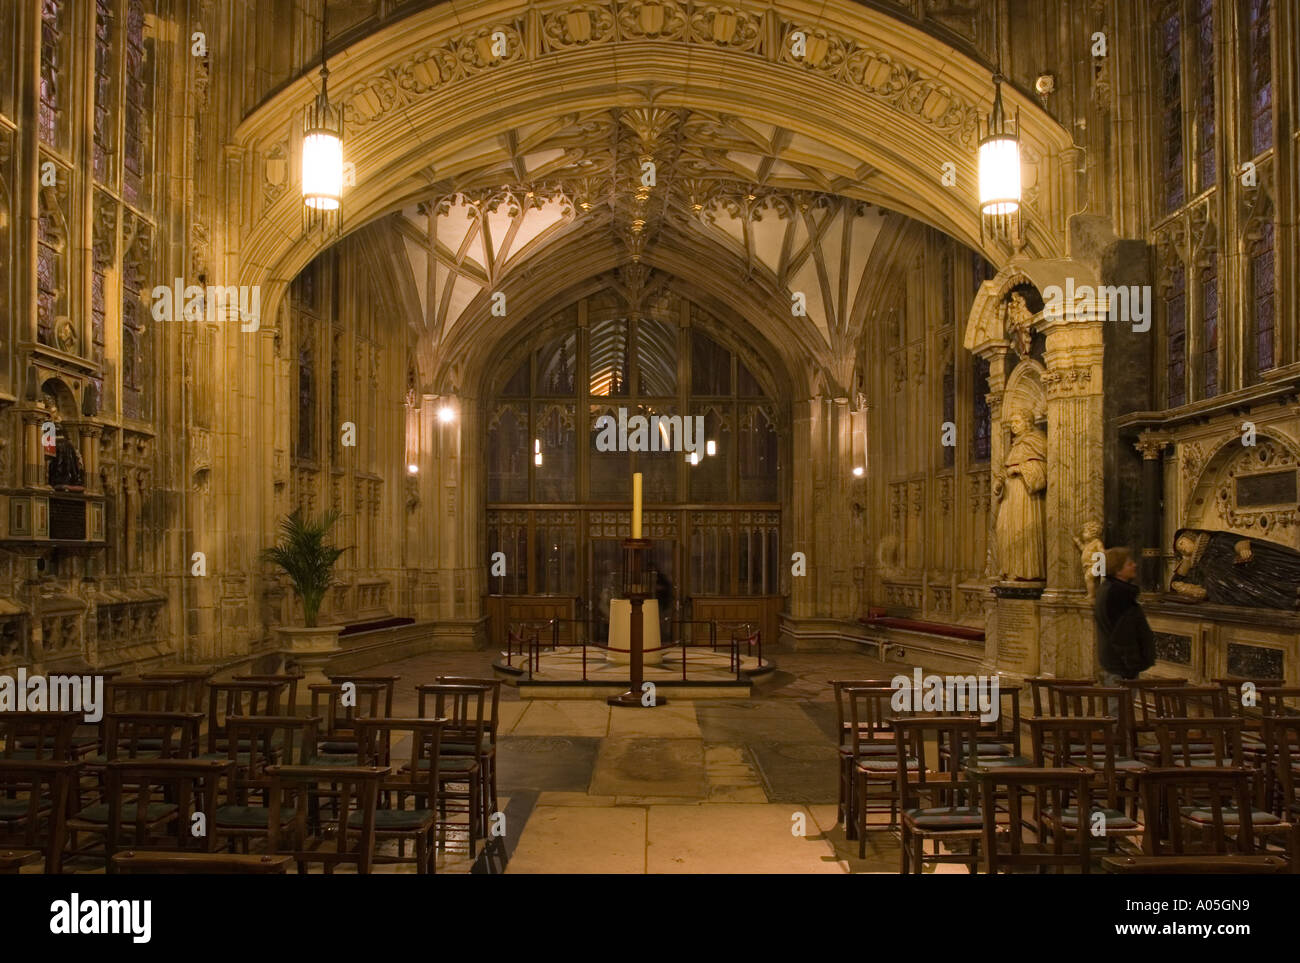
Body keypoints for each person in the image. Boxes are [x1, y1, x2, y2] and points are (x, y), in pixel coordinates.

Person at [1094, 547, 1155, 695]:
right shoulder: (1118, 594)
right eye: (1129, 563)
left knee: (1121, 708)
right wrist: (1132, 665)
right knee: (1119, 710)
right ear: (1118, 570)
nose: (1135, 565)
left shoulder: (1111, 589)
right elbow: (1123, 634)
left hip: (1117, 663)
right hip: (1121, 666)